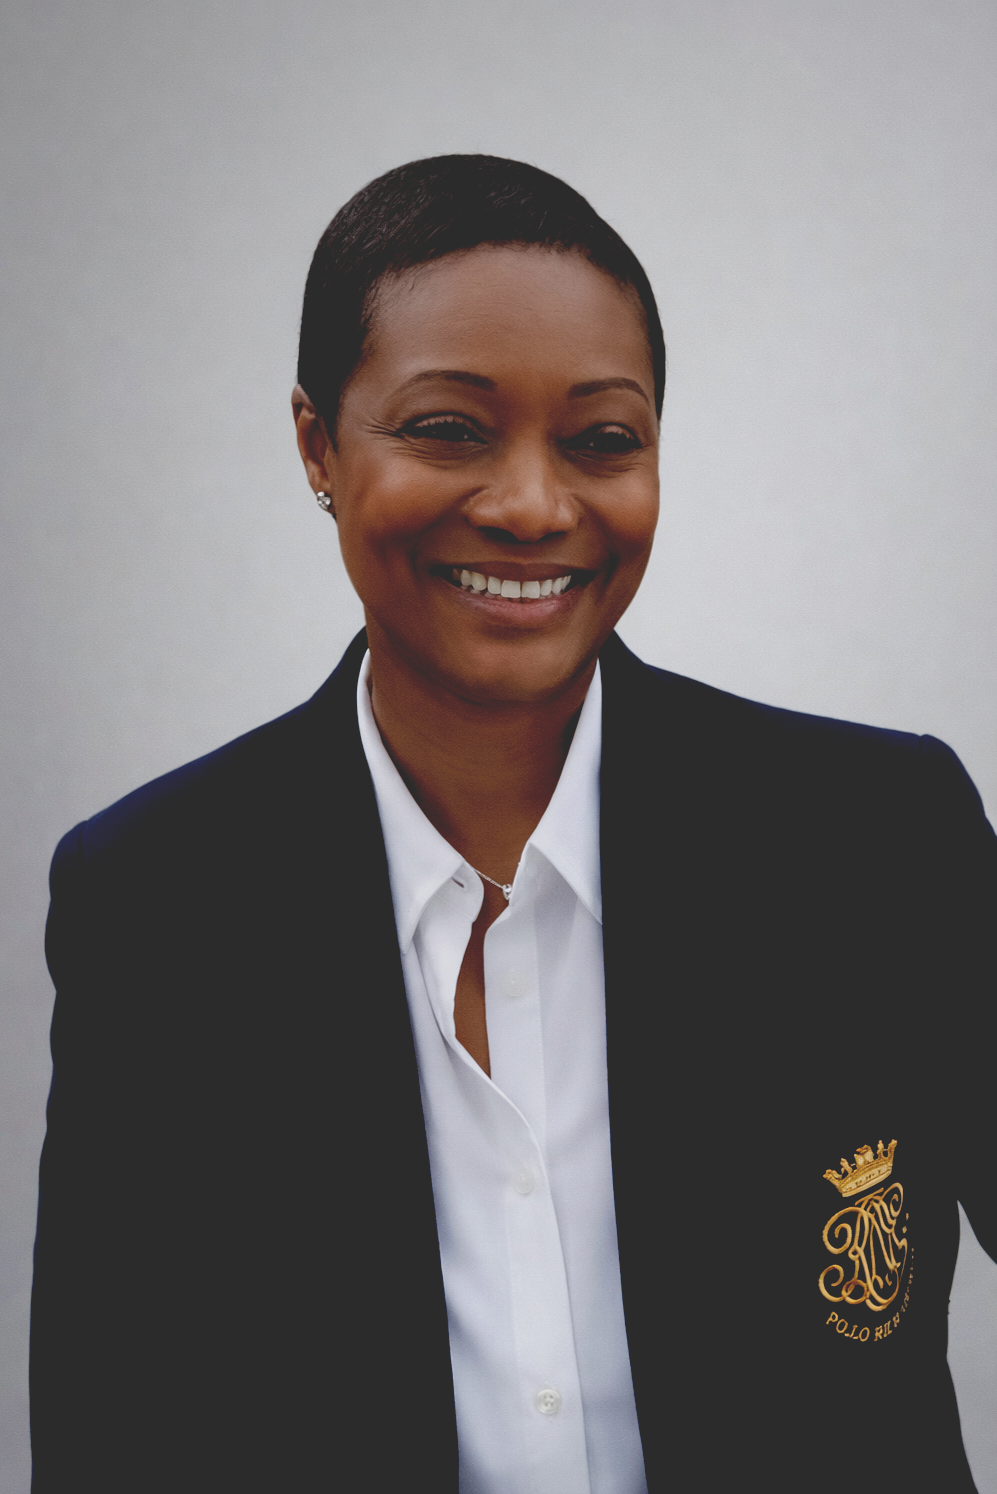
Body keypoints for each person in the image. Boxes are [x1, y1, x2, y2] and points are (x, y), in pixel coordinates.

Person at [29, 155, 995, 1494]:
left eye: (603, 439)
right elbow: (112, 1435)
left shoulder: (878, 842)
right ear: (316, 446)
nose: (535, 506)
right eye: (448, 428)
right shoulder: (156, 901)